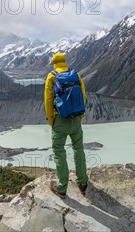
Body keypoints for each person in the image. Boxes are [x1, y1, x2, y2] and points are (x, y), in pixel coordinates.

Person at [44, 52, 88, 199]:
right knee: (78, 149)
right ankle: (82, 182)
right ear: (64, 61)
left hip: (60, 121)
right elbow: (83, 95)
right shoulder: (76, 75)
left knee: (59, 151)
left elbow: (48, 101)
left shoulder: (51, 77)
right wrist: (80, 116)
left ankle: (62, 188)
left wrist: (52, 121)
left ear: (54, 63)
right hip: (75, 119)